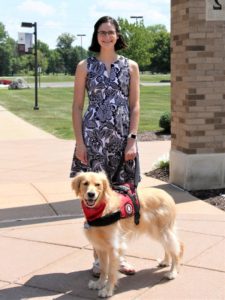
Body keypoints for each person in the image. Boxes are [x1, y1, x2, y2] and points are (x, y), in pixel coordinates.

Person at [70, 16, 140, 277]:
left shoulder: (130, 66)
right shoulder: (84, 66)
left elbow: (135, 105)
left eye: (111, 32)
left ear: (117, 35)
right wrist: (80, 142)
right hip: (94, 140)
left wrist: (132, 138)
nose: (107, 36)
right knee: (94, 202)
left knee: (122, 201)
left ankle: (119, 257)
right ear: (96, 35)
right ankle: (99, 260)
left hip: (123, 141)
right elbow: (77, 106)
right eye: (102, 32)